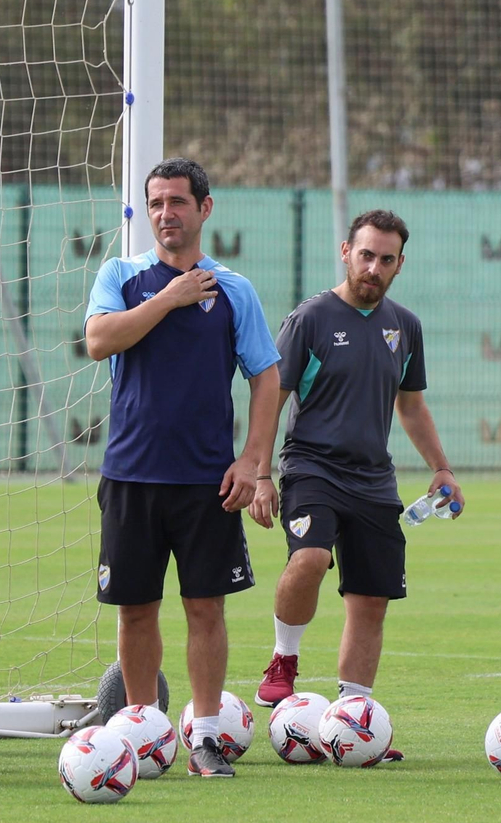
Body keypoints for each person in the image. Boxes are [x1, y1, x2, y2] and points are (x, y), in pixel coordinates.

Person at [85, 158, 280, 779]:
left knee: (205, 609)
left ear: (204, 208)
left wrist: (252, 460)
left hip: (206, 482)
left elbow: (266, 376)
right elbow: (99, 340)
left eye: (177, 202)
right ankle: (141, 733)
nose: (165, 214)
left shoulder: (233, 290)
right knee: (135, 610)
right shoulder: (121, 275)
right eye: (156, 203)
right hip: (131, 476)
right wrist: (170, 298)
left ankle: (206, 739)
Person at [250, 210, 459, 768]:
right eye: (365, 255)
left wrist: (441, 468)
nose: (373, 268)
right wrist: (261, 474)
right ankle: (284, 659)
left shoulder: (405, 326)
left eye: (385, 259)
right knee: (311, 557)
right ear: (346, 252)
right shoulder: (311, 319)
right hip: (311, 467)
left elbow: (411, 406)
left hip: (374, 479)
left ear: (399, 264)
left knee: (370, 599)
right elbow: (272, 396)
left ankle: (354, 720)